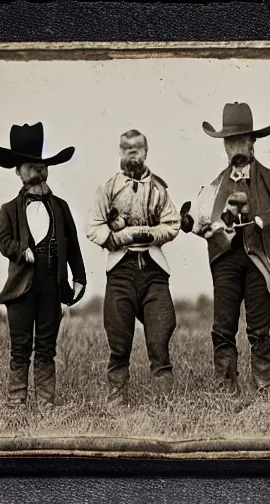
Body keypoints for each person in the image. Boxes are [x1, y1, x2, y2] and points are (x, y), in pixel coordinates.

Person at [180, 102, 270, 397]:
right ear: (225, 147)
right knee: (222, 328)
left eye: (241, 140)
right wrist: (194, 225)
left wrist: (261, 219)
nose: (235, 148)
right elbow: (197, 216)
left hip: (258, 260)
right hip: (225, 261)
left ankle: (265, 389)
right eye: (230, 143)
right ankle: (226, 391)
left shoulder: (269, 177)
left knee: (259, 329)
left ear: (252, 142)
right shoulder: (217, 184)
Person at [0, 122, 87, 415]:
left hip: (51, 286)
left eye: (41, 166)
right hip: (20, 290)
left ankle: (46, 405)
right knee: (20, 348)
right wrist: (22, 251)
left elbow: (73, 245)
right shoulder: (8, 209)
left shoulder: (61, 206)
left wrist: (79, 277)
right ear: (17, 171)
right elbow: (3, 241)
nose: (37, 172)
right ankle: (15, 405)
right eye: (30, 167)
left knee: (46, 348)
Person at [86, 129, 180, 410]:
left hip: (153, 270)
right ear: (119, 152)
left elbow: (173, 223)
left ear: (146, 151)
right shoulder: (108, 188)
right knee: (118, 338)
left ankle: (165, 405)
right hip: (120, 270)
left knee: (160, 335)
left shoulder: (159, 189)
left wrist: (150, 235)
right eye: (126, 148)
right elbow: (93, 227)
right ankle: (117, 401)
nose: (132, 153)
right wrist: (120, 237)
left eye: (137, 148)